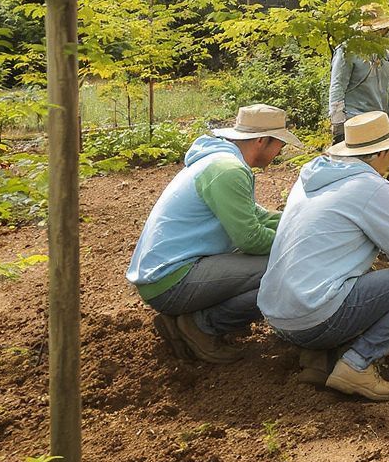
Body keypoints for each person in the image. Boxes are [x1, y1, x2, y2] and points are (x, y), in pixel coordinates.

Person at [258, 111, 389, 401]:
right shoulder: (371, 187)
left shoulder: (312, 177)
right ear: (385, 152)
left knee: (356, 267)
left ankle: (320, 357)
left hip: (278, 317)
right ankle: (358, 364)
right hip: (314, 319)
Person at [126, 104, 302, 363]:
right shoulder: (228, 171)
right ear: (262, 140)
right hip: (171, 281)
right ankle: (202, 326)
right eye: (280, 145)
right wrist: (300, 244)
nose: (280, 152)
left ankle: (191, 320)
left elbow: (258, 216)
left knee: (281, 259)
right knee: (288, 266)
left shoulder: (219, 162)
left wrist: (300, 223)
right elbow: (250, 238)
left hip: (169, 274)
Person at [329, 4, 389, 191]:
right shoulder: (347, 51)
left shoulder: (385, 54)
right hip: (354, 122)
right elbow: (337, 86)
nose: (383, 32)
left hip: (379, 122)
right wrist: (338, 123)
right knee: (354, 176)